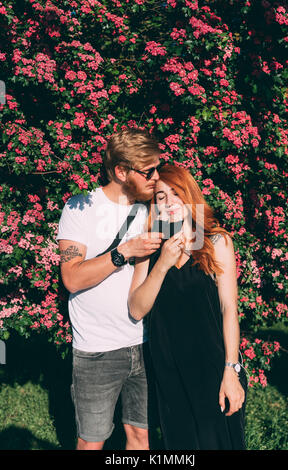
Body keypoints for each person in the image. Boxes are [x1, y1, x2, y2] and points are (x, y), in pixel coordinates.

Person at [56, 128, 165, 450]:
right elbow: (72, 278)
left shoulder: (153, 210)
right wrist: (125, 252)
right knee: (92, 441)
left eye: (158, 168)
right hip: (98, 349)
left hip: (145, 343)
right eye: (148, 171)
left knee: (140, 435)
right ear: (121, 171)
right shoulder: (80, 209)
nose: (156, 178)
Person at [128, 164, 247, 450]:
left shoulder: (216, 241)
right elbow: (136, 309)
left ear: (189, 195)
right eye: (160, 197)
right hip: (169, 368)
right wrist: (163, 264)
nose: (168, 203)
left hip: (213, 366)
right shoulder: (151, 247)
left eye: (175, 193)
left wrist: (231, 369)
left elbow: (229, 308)